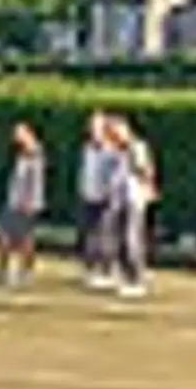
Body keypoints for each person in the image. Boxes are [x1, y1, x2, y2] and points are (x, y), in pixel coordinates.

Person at [103, 116, 157, 300]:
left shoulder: (137, 147)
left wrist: (148, 189)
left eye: (117, 132)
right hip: (119, 199)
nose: (114, 136)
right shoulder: (115, 150)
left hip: (134, 198)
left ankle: (136, 280)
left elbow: (145, 170)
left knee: (132, 239)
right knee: (117, 238)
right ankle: (124, 276)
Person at [0, 123, 46, 288]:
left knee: (26, 241)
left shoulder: (36, 155)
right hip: (13, 202)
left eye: (20, 134)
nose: (16, 138)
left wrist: (31, 203)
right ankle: (2, 270)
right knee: (5, 238)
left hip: (27, 204)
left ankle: (27, 270)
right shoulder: (19, 154)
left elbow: (36, 182)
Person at [78, 111, 115, 290]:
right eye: (92, 127)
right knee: (88, 235)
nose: (94, 130)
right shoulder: (87, 149)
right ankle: (90, 269)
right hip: (88, 195)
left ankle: (106, 270)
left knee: (105, 236)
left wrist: (108, 193)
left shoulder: (110, 150)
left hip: (105, 198)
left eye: (98, 127)